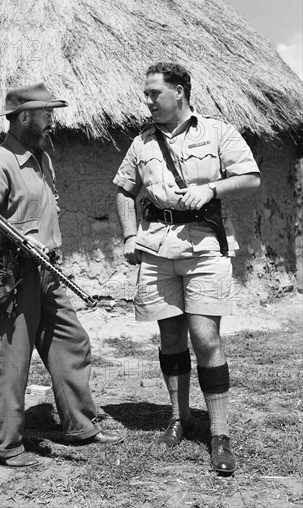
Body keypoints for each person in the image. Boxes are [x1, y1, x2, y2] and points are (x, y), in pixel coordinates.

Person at [0, 83, 123, 467]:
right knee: (11, 360)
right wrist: (9, 236)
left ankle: (80, 425)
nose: (53, 121)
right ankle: (4, 445)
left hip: (47, 271)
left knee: (72, 342)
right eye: (47, 114)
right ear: (23, 118)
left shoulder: (42, 159)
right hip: (12, 274)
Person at [113, 62, 260, 474]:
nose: (147, 102)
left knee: (204, 335)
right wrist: (128, 236)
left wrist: (211, 188)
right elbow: (124, 191)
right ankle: (179, 418)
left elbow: (250, 177)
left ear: (178, 92)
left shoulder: (216, 132)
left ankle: (220, 434)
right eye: (146, 94)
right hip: (158, 249)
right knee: (171, 335)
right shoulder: (142, 142)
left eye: (153, 94)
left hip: (203, 246)